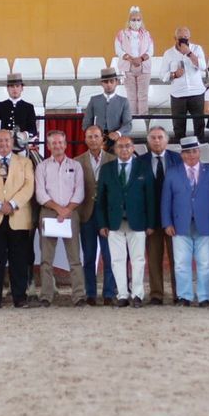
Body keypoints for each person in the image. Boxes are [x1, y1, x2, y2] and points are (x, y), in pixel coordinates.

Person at [0, 128, 36, 308]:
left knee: (19, 259)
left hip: (17, 216)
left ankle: (19, 297)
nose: (3, 144)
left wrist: (12, 204)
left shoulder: (25, 163)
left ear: (12, 142)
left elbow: (29, 187)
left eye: (6, 141)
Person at [96, 133, 155, 307]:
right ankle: (122, 295)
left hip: (138, 221)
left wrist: (151, 223)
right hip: (114, 222)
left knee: (138, 259)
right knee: (117, 260)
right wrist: (102, 223)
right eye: (120, 146)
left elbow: (150, 198)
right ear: (114, 149)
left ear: (133, 148)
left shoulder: (143, 167)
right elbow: (100, 199)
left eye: (128, 146)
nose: (124, 149)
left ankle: (137, 294)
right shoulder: (107, 169)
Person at [162, 135, 209, 307]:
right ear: (181, 155)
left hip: (205, 223)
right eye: (187, 152)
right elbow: (166, 200)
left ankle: (204, 297)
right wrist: (167, 222)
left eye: (194, 151)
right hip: (180, 225)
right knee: (181, 263)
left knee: (204, 263)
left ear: (199, 152)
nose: (191, 155)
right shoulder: (173, 173)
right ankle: (184, 296)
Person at [35, 129, 86, 306]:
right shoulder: (42, 167)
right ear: (48, 146)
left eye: (60, 142)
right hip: (49, 212)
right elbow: (40, 192)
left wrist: (67, 209)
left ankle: (79, 295)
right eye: (53, 143)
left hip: (71, 212)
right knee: (46, 259)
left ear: (65, 144)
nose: (57, 145)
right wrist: (57, 208)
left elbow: (79, 191)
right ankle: (46, 296)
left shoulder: (75, 165)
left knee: (74, 258)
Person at [139, 125, 181, 305]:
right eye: (153, 138)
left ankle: (179, 294)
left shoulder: (178, 159)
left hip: (173, 219)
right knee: (154, 259)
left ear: (167, 140)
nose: (157, 140)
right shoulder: (140, 162)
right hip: (151, 219)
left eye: (160, 137)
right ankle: (156, 294)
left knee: (177, 259)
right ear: (148, 141)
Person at [75, 125, 117, 304]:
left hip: (107, 215)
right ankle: (90, 293)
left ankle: (109, 293)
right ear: (85, 139)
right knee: (89, 256)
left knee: (110, 256)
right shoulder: (76, 162)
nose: (93, 140)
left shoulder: (113, 160)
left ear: (103, 139)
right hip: (86, 214)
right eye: (90, 137)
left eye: (96, 136)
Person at [161, 26, 208, 141]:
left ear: (189, 38)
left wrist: (189, 53)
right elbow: (162, 76)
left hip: (197, 93)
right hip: (178, 95)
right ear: (175, 38)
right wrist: (174, 74)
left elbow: (203, 66)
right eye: (180, 38)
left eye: (186, 37)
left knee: (199, 125)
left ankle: (199, 151)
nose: (183, 40)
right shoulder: (168, 53)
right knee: (178, 127)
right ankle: (179, 153)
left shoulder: (197, 49)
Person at [114, 5, 156, 116]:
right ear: (129, 21)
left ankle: (143, 119)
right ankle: (131, 120)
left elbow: (150, 51)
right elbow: (119, 50)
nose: (136, 22)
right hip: (128, 67)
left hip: (144, 67)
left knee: (143, 96)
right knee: (131, 96)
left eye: (138, 20)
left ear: (141, 21)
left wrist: (140, 59)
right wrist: (132, 60)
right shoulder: (121, 34)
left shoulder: (147, 34)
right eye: (133, 20)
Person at [0, 73, 39, 145]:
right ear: (7, 89)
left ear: (22, 88)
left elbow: (33, 130)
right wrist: (3, 135)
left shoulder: (28, 107)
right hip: (5, 144)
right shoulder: (0, 106)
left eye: (17, 86)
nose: (15, 89)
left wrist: (24, 134)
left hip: (22, 144)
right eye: (12, 86)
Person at [84, 68, 132, 144]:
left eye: (111, 81)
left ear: (116, 82)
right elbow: (86, 122)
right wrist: (93, 135)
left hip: (117, 140)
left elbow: (128, 124)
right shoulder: (94, 100)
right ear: (102, 83)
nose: (109, 84)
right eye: (106, 82)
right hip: (96, 140)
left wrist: (118, 133)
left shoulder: (123, 101)